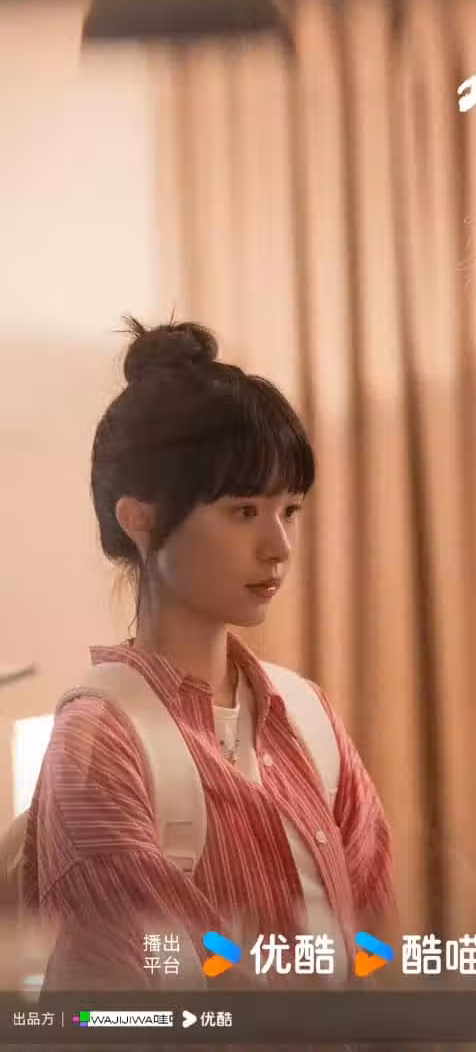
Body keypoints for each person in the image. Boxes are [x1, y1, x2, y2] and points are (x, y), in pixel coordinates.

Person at [20, 319, 395, 992]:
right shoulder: (100, 740)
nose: (279, 547)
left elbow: (376, 942)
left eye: (290, 510)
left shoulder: (305, 712)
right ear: (140, 520)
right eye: (244, 512)